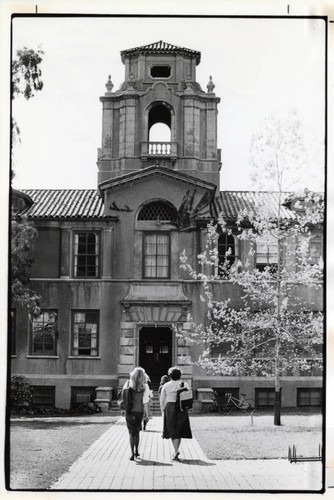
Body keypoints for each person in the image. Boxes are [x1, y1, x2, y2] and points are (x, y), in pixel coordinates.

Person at [160, 366, 192, 461]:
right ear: (180, 375)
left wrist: (163, 410)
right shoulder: (184, 384)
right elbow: (188, 397)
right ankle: (176, 450)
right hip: (182, 408)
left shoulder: (166, 385)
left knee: (172, 428)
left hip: (170, 407)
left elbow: (162, 400)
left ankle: (176, 450)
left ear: (170, 376)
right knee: (180, 428)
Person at [122, 366, 151, 460]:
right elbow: (145, 402)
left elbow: (124, 398)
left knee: (131, 433)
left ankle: (132, 453)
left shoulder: (127, 384)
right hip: (139, 411)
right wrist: (147, 414)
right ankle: (137, 451)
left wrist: (123, 409)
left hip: (129, 411)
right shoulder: (145, 386)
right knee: (137, 432)